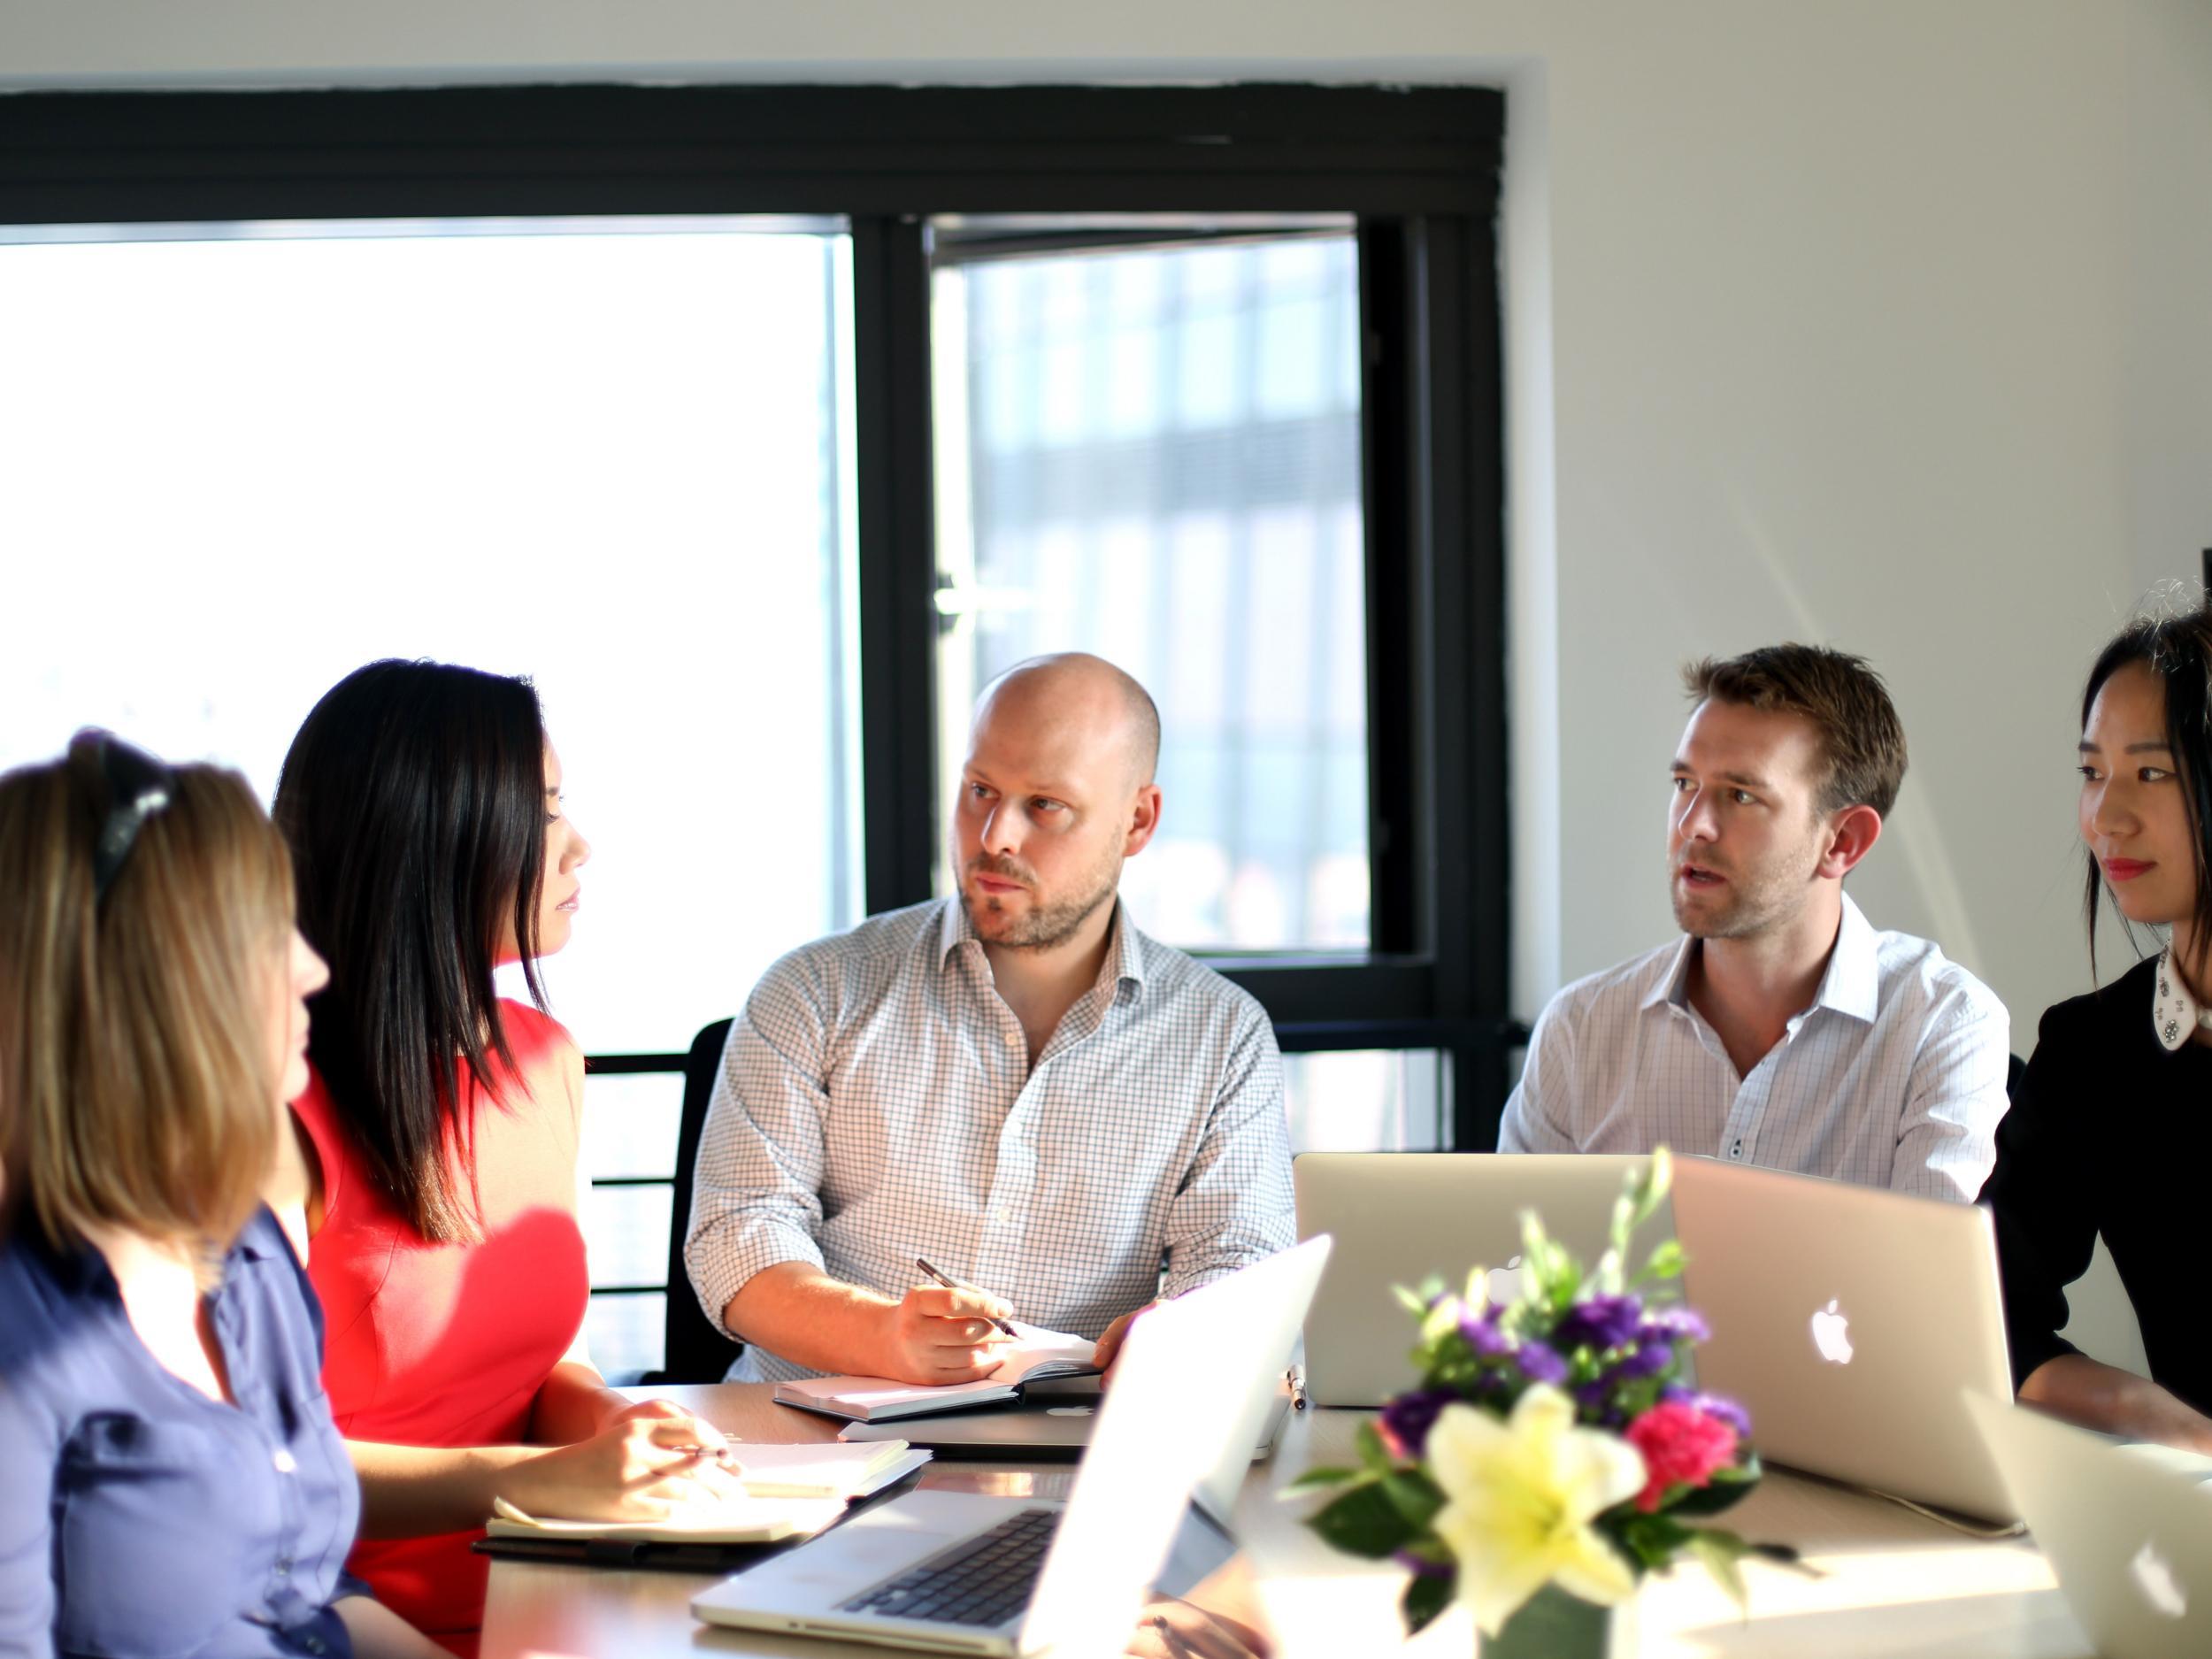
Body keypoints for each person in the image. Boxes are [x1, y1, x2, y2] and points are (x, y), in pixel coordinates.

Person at [273, 661, 741, 1651]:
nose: (582, 847)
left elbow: (532, 1367)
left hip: (547, 1582)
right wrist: (537, 1480)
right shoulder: (271, 1102)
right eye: (545, 813)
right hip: (332, 1602)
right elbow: (251, 1469)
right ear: (432, 838)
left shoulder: (545, 1060)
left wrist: (619, 1432)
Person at [685, 652, 1295, 1384]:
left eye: (1044, 805)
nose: (995, 835)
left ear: (1137, 820)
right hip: (801, 1443)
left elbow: (1240, 1262)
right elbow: (736, 1233)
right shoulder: (815, 989)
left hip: (1072, 1452)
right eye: (980, 790)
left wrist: (1181, 1329)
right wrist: (880, 1336)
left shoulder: (1224, 1037)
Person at [0, 733, 445, 1658]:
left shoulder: (245, 1252)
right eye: (264, 935)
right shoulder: (23, 1343)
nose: (311, 967)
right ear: (150, 994)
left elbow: (309, 1595)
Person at [1500, 643, 2010, 1200]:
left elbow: (1926, 1279)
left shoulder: (1941, 1024)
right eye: (1684, 784)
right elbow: (1516, 1267)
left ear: (1843, 841)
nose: (1694, 826)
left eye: (1741, 795)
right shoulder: (1581, 1030)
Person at [1981, 610, 2212, 1451]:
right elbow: (1989, 1315)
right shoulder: (2092, 1051)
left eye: (2151, 773)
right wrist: (2160, 1419)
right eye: (2092, 771)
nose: (2105, 815)